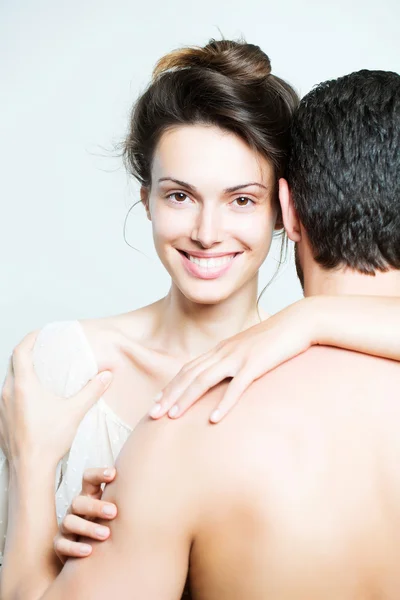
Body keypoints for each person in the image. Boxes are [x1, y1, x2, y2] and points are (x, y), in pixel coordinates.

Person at [2, 47, 400, 595]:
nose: (207, 232)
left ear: (285, 210)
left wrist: (311, 318)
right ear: (146, 199)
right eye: (181, 195)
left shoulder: (187, 429)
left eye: (241, 199)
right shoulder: (63, 366)